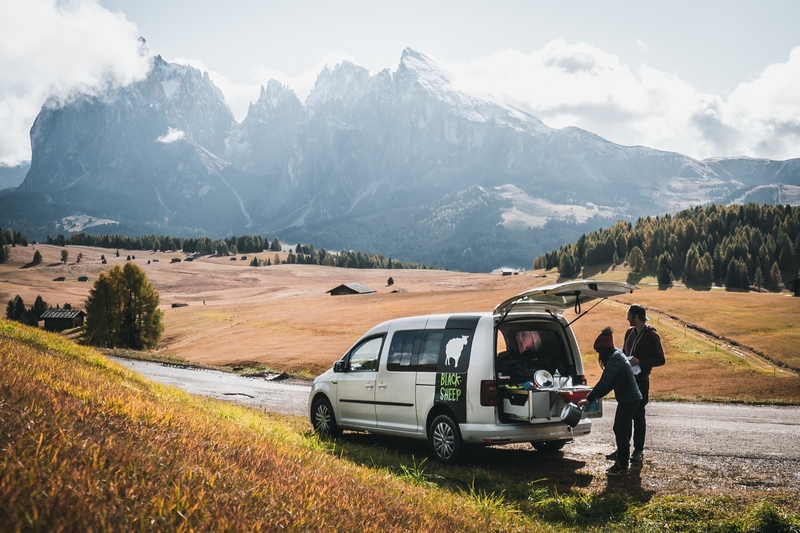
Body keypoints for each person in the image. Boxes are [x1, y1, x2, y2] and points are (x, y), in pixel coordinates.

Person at [578, 327, 641, 476]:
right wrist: (593, 398)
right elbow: (610, 384)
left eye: (599, 352)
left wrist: (588, 398)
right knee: (621, 429)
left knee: (620, 429)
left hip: (629, 399)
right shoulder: (618, 355)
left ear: (603, 350)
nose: (599, 355)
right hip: (631, 399)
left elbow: (604, 382)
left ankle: (622, 464)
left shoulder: (613, 359)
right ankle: (622, 461)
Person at [613, 303, 665, 463]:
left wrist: (640, 362)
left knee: (638, 416)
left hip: (641, 381)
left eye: (629, 315)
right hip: (627, 379)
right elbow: (624, 350)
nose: (627, 318)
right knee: (625, 416)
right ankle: (623, 449)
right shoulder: (629, 332)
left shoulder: (652, 336)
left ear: (636, 317)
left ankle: (638, 450)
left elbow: (661, 360)